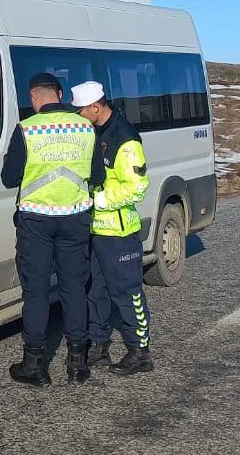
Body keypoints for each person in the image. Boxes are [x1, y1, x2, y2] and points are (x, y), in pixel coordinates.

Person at [0, 72, 96, 386]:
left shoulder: (27, 130)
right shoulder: (85, 127)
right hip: (75, 217)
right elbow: (96, 174)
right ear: (60, 93)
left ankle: (35, 366)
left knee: (37, 291)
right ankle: (78, 364)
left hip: (37, 221)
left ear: (33, 97)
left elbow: (10, 178)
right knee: (74, 289)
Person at [71, 80, 154, 376]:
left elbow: (137, 189)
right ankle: (99, 345)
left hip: (119, 234)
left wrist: (96, 198)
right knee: (96, 292)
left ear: (96, 107)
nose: (78, 115)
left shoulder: (125, 138)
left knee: (128, 293)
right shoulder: (92, 132)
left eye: (81, 110)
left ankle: (140, 351)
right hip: (94, 232)